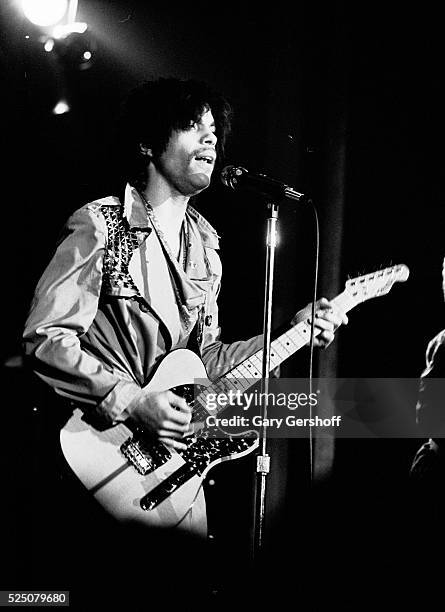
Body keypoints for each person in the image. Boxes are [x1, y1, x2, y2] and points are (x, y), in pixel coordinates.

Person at [22, 77, 347, 604]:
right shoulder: (102, 226)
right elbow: (46, 338)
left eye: (214, 130)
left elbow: (203, 361)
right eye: (192, 126)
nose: (210, 139)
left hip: (170, 472)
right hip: (101, 455)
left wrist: (291, 333)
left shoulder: (206, 246)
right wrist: (133, 401)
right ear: (149, 143)